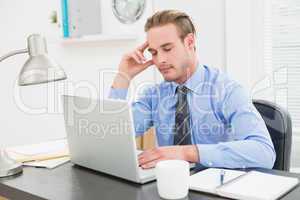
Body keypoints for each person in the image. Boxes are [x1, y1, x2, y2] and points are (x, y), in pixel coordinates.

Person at [109, 10, 276, 169]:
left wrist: (187, 153)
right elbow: (114, 136)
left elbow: (264, 152)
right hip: (168, 187)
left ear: (189, 42)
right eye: (153, 52)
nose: (160, 60)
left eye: (167, 49)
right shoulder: (155, 95)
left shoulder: (227, 90)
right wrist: (123, 76)